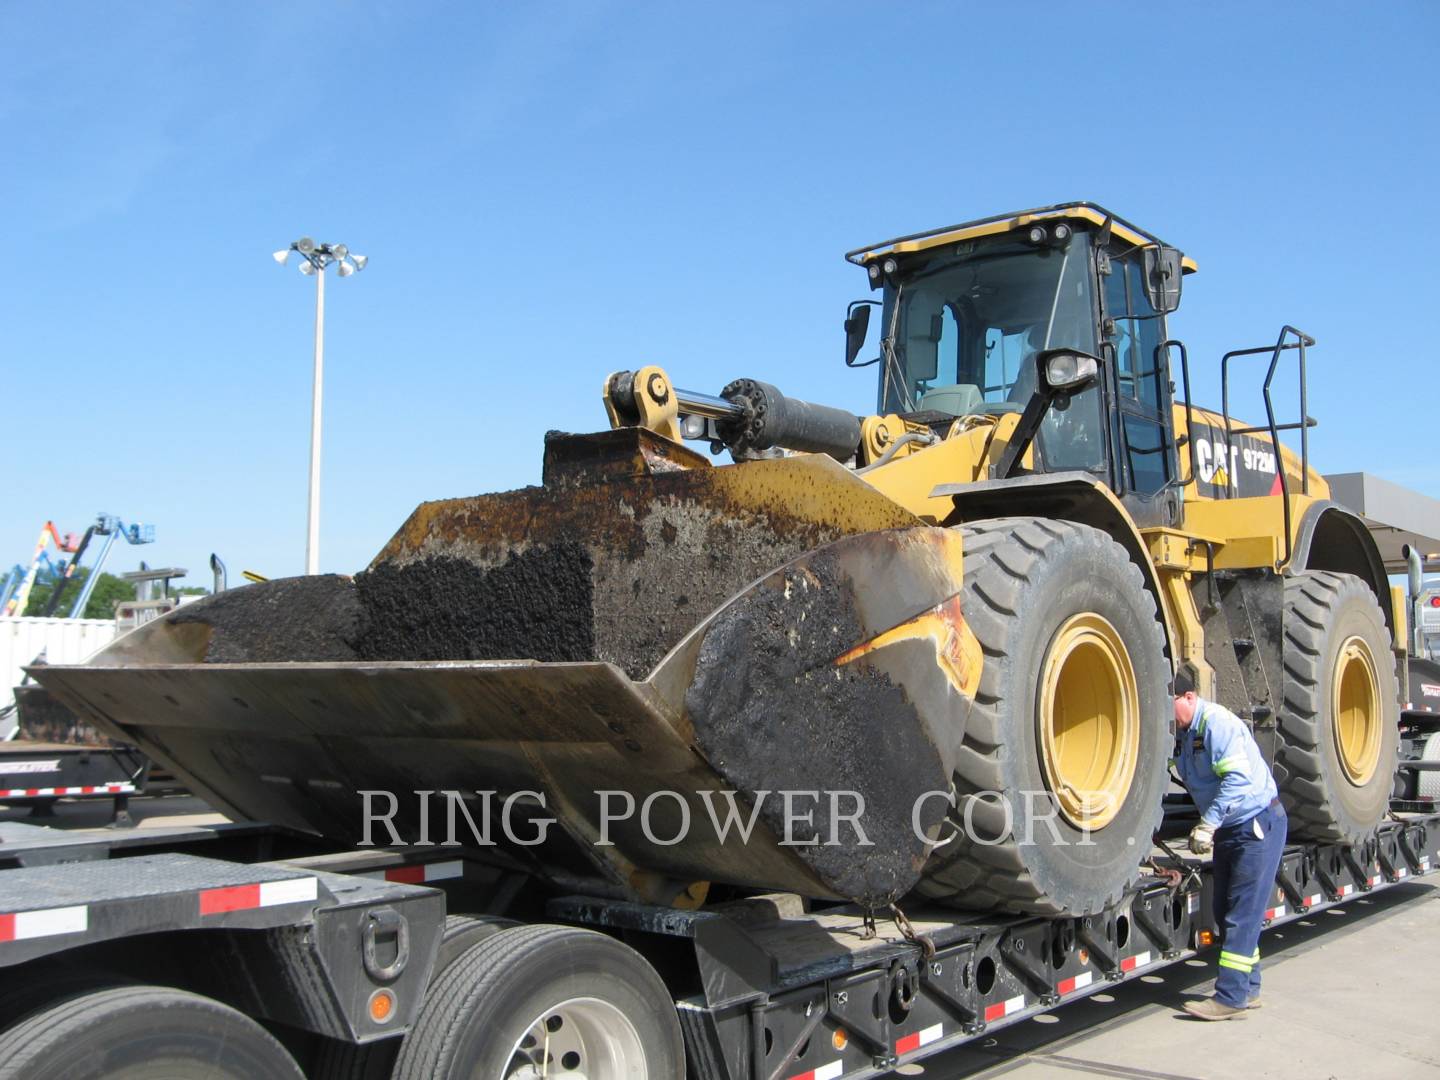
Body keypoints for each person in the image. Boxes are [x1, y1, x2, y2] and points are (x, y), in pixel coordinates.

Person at [1171, 669, 1288, 1021]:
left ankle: (1230, 997)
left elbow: (1237, 780)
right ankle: (1248, 988)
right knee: (1224, 911)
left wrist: (1207, 824)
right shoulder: (1185, 734)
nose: (1166, 714)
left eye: (1169, 704)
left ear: (1189, 697)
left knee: (1241, 915)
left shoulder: (1216, 724)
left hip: (1256, 825)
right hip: (1231, 829)